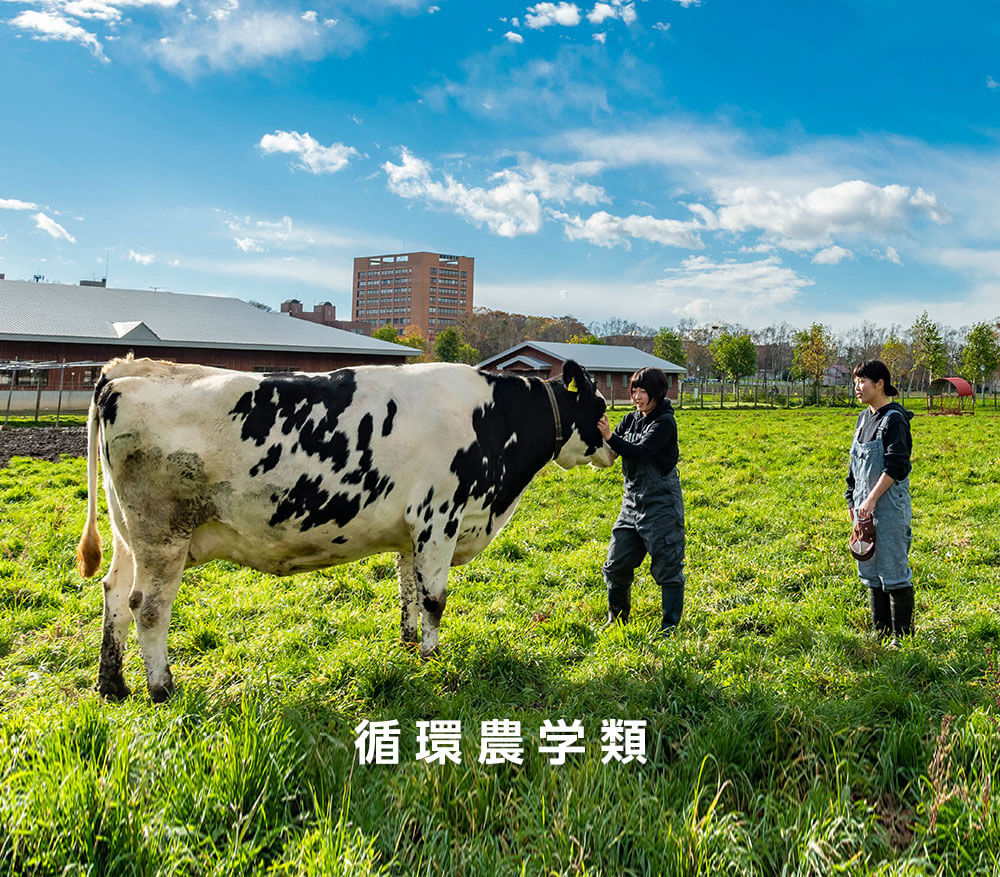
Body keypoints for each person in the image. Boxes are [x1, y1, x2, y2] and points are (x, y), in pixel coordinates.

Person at [596, 367, 685, 636]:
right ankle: (617, 619)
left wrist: (611, 436)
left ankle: (669, 627)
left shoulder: (664, 423)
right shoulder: (631, 419)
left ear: (656, 392)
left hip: (661, 504)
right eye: (634, 390)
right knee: (616, 564)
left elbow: (642, 452)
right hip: (631, 502)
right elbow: (614, 448)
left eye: (642, 391)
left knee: (667, 567)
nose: (636, 396)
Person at [846, 360, 915, 641]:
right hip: (863, 508)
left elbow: (896, 466)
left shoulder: (894, 419)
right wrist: (852, 501)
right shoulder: (863, 418)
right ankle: (882, 635)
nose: (857, 388)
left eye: (862, 382)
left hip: (888, 508)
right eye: (855, 382)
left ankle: (904, 639)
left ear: (880, 384)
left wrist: (872, 499)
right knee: (871, 570)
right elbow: (853, 467)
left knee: (894, 570)